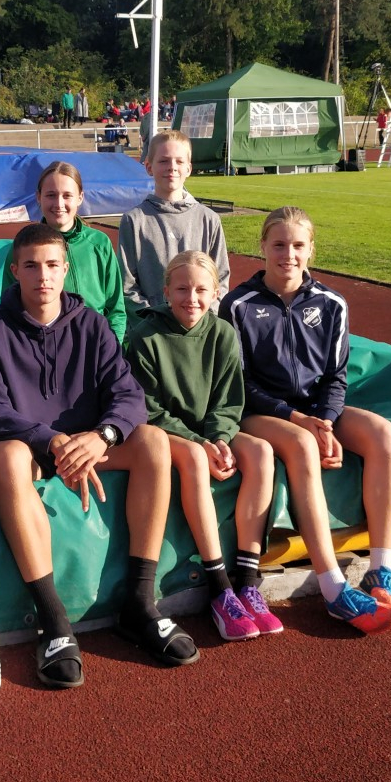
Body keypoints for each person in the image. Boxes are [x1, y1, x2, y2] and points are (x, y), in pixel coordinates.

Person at [0, 223, 200, 689]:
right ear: (15, 271)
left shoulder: (91, 323)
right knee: (10, 458)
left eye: (52, 265)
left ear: (66, 269)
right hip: (25, 447)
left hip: (86, 443)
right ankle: (53, 622)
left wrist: (103, 436)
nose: (43, 276)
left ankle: (139, 603)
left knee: (152, 441)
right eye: (31, 266)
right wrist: (52, 440)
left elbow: (128, 394)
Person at [220, 207, 391, 635]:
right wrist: (297, 419)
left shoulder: (332, 303)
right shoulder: (238, 304)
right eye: (279, 245)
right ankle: (333, 588)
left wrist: (326, 421)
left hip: (315, 412)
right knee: (302, 445)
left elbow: (336, 377)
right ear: (262, 247)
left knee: (383, 434)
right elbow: (239, 383)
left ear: (311, 250)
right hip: (261, 413)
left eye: (298, 245)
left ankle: (380, 569)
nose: (289, 254)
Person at [125, 251, 282, 641]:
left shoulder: (223, 333)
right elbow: (149, 408)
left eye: (201, 290)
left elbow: (229, 401)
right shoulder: (144, 337)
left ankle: (248, 580)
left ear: (215, 293)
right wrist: (201, 442)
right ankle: (219, 586)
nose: (191, 298)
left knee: (261, 452)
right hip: (169, 434)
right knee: (195, 457)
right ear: (166, 291)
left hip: (210, 433)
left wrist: (221, 439)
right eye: (181, 289)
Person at [2, 161, 126, 340]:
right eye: (51, 195)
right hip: (43, 344)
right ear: (38, 197)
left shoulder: (100, 243)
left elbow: (116, 309)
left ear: (80, 197)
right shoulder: (23, 246)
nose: (59, 204)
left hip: (95, 344)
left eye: (67, 195)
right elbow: (10, 308)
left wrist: (112, 347)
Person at [118, 129, 230, 315]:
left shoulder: (209, 219)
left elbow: (221, 279)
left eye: (179, 161)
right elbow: (127, 285)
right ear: (149, 167)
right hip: (153, 327)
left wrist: (204, 320)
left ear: (189, 168)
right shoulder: (134, 220)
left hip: (199, 325)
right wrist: (155, 320)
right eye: (164, 161)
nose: (172, 167)